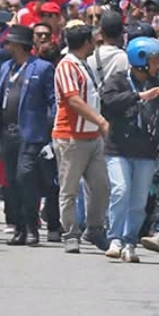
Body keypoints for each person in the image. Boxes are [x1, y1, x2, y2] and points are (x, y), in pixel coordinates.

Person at [100, 36, 159, 262]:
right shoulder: (118, 80)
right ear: (141, 61)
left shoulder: (158, 84)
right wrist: (138, 97)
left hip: (145, 150)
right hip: (118, 148)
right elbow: (107, 102)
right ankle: (115, 238)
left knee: (139, 200)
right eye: (154, 61)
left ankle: (130, 241)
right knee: (120, 190)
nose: (158, 65)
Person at [0, 25, 57, 246]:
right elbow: (3, 95)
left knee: (25, 177)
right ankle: (17, 226)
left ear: (19, 45)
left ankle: (31, 227)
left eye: (10, 42)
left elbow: (52, 101)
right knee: (10, 181)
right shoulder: (6, 67)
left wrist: (50, 130)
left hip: (30, 133)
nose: (6, 46)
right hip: (7, 132)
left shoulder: (42, 68)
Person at [52, 25, 111, 254]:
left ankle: (95, 228)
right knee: (69, 189)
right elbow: (73, 100)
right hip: (71, 137)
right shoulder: (67, 66)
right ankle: (70, 233)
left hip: (92, 137)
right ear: (86, 42)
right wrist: (100, 120)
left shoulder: (85, 64)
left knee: (101, 186)